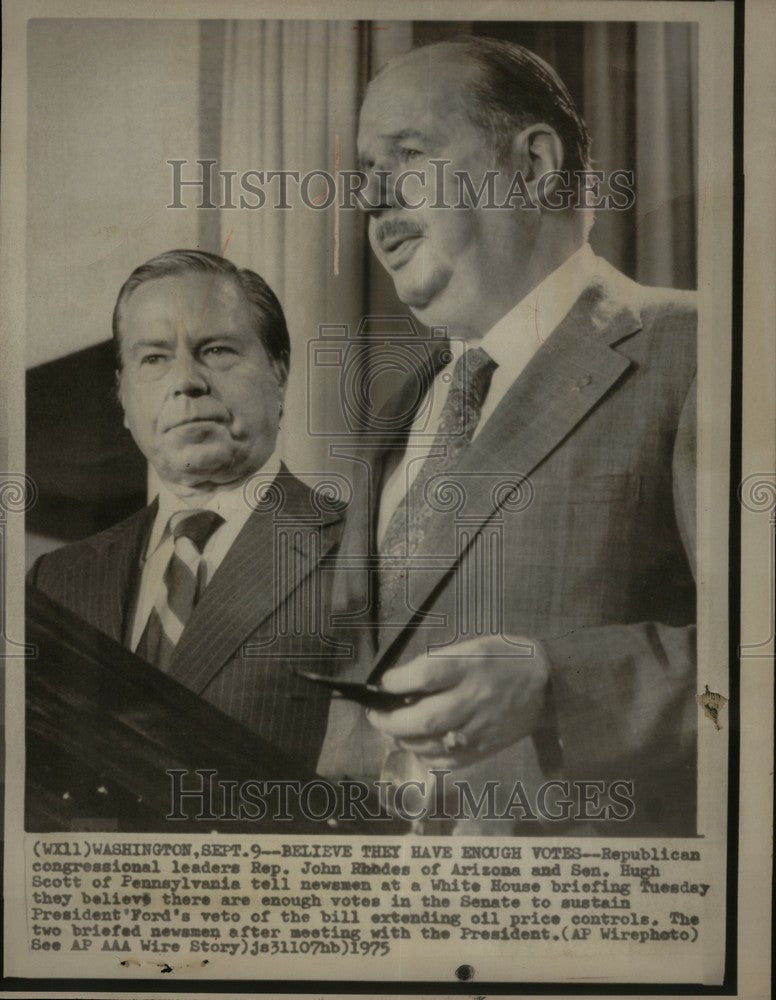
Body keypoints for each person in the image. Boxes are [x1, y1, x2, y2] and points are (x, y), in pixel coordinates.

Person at [321, 37, 697, 834]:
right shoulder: (396, 415)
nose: (372, 199)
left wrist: (557, 686)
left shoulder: (704, 347)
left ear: (532, 165)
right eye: (364, 174)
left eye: (408, 155)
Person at [28, 250, 344, 770]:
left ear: (279, 375)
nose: (186, 381)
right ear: (125, 399)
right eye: (153, 358)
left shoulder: (362, 552)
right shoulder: (54, 581)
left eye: (216, 350)